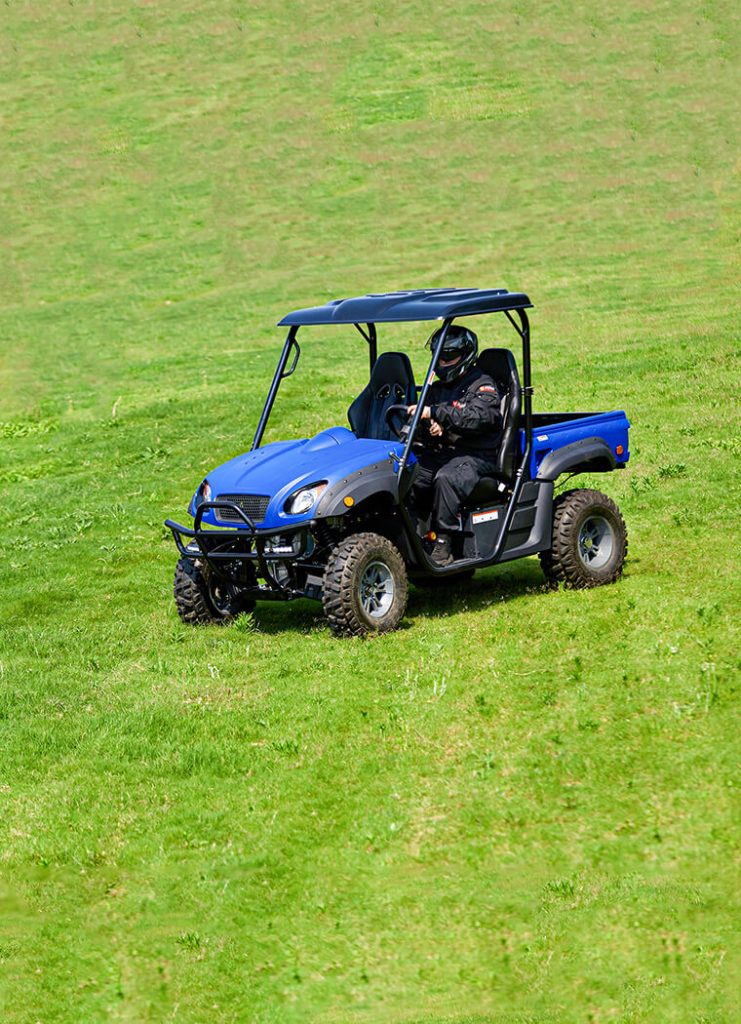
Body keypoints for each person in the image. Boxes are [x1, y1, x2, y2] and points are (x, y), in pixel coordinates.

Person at [407, 324, 502, 566]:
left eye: (449, 357)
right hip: (446, 452)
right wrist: (429, 426)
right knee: (411, 474)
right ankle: (412, 536)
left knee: (446, 478)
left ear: (465, 355)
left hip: (480, 456)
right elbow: (428, 418)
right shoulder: (437, 389)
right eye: (440, 357)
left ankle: (443, 544)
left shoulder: (483, 385)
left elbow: (477, 418)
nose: (443, 363)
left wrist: (438, 414)